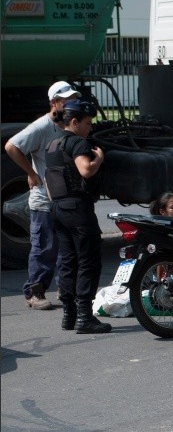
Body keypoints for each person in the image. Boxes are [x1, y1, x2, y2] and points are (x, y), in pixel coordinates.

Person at [4, 81, 81, 310]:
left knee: (68, 247)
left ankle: (65, 290)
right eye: (65, 99)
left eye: (72, 98)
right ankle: (34, 292)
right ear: (53, 103)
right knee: (44, 247)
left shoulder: (71, 124)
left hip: (65, 198)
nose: (69, 103)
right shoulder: (41, 127)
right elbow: (11, 146)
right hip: (44, 201)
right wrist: (31, 173)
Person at [44, 99, 111, 333]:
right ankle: (85, 317)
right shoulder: (77, 143)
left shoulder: (52, 145)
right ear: (74, 122)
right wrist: (99, 159)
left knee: (69, 260)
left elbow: (48, 179)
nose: (90, 128)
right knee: (88, 260)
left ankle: (69, 315)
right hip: (77, 209)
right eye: (87, 123)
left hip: (57, 208)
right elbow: (85, 170)